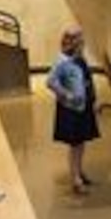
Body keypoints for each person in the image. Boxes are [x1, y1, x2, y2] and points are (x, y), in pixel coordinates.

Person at [46, 26, 100, 195]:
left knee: (81, 142)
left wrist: (93, 99)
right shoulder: (62, 61)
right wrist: (67, 95)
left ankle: (79, 170)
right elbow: (50, 82)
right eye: (79, 38)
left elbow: (86, 80)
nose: (82, 41)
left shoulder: (79, 59)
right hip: (71, 109)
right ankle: (75, 178)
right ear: (71, 41)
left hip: (83, 107)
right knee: (75, 144)